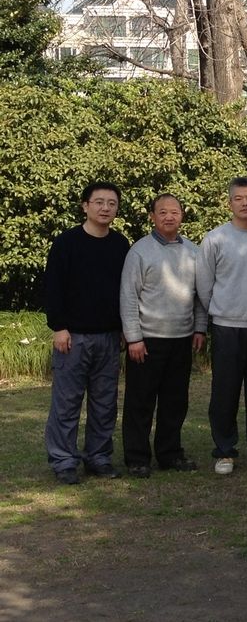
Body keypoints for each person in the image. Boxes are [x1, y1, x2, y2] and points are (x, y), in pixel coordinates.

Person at [44, 181, 131, 485]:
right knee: (67, 403)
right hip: (72, 337)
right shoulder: (66, 243)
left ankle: (98, 457)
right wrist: (59, 327)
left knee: (105, 403)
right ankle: (64, 461)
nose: (105, 208)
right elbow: (53, 287)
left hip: (109, 336)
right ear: (85, 206)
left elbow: (126, 291)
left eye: (111, 203)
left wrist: (125, 329)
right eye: (99, 202)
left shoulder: (120, 245)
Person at [120, 194, 207, 478]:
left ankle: (170, 454)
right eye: (162, 212)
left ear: (182, 215)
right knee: (140, 402)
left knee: (175, 401)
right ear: (152, 216)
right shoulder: (140, 251)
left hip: (182, 338)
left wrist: (199, 328)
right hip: (147, 340)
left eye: (175, 212)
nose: (169, 217)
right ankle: (137, 458)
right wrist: (133, 337)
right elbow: (128, 297)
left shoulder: (193, 251)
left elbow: (199, 296)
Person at [196, 177, 247, 476]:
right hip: (226, 327)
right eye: (239, 198)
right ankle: (224, 450)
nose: (245, 203)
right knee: (224, 392)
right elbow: (204, 286)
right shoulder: (215, 239)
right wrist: (221, 310)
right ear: (229, 202)